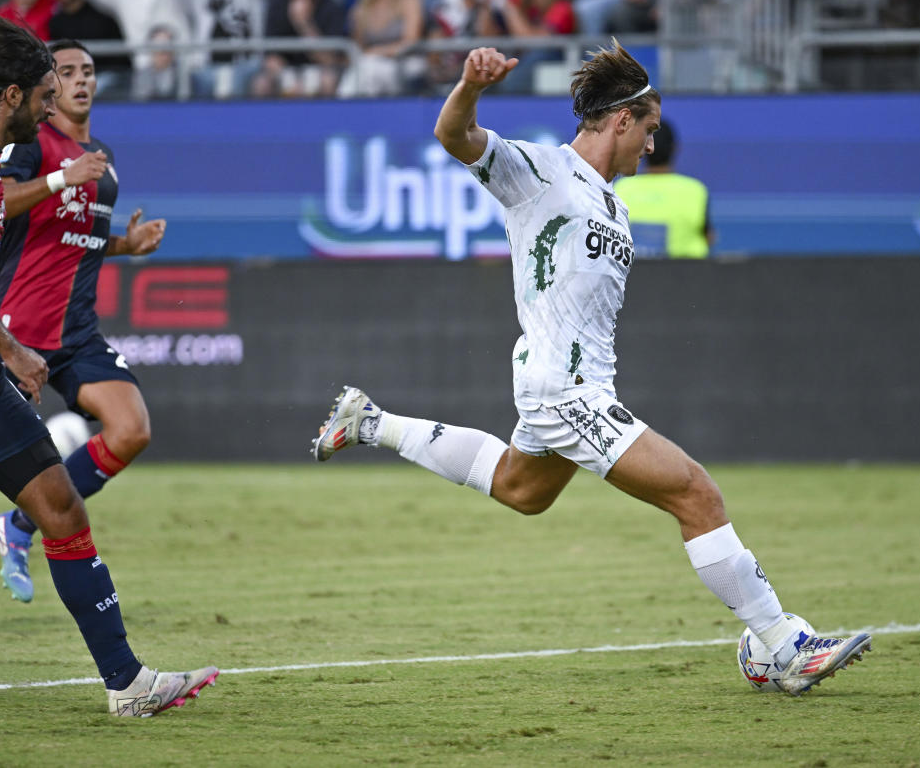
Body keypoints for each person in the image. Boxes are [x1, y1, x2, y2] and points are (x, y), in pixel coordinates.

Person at [310, 42, 872, 697]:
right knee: (696, 494)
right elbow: (452, 133)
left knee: (524, 491)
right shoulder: (539, 171)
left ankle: (370, 422)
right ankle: (782, 643)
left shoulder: (616, 205)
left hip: (575, 386)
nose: (653, 147)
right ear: (621, 120)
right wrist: (469, 84)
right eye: (651, 131)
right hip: (562, 389)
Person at [0, 15, 215, 716]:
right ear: (12, 95)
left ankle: (127, 684)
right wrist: (11, 347)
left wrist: (123, 247)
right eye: (45, 91)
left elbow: (68, 240)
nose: (55, 103)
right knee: (59, 502)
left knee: (61, 506)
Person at [0, 36, 166, 610]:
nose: (81, 80)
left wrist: (126, 244)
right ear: (46, 88)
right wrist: (62, 178)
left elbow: (77, 240)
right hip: (17, 325)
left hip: (76, 332)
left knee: (131, 429)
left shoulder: (100, 160)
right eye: (68, 71)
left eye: (89, 71)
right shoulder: (31, 144)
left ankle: (18, 526)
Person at [613, 118, 712, 258]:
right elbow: (708, 237)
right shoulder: (695, 190)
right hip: (687, 275)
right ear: (674, 148)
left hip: (632, 276)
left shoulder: (621, 188)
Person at [252, 0, 346, 97]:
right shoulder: (277, 5)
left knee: (328, 81)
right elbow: (271, 56)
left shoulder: (331, 6)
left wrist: (304, 24)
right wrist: (288, 80)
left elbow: (330, 60)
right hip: (285, 71)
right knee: (261, 84)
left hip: (320, 69)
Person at [342, 0, 425, 97]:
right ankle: (346, 105)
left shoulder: (409, 0)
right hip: (371, 64)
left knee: (370, 69)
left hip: (406, 61)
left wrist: (377, 52)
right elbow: (359, 46)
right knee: (364, 70)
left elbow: (411, 41)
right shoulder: (361, 7)